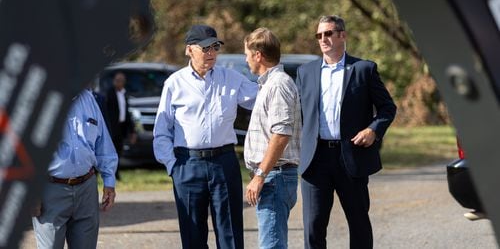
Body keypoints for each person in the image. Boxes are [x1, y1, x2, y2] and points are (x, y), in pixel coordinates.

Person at [153, 24, 258, 249]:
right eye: (205, 48)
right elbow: (161, 132)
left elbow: (263, 98)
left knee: (230, 234)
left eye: (215, 47)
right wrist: (173, 166)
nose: (211, 53)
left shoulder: (231, 78)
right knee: (193, 236)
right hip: (187, 165)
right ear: (189, 50)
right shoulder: (174, 83)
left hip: (224, 162)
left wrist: (275, 75)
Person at [296, 15, 397, 249]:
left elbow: (387, 108)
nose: (323, 39)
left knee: (359, 222)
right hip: (315, 159)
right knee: (313, 226)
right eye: (319, 35)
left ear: (342, 35)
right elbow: (298, 115)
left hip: (350, 156)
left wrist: (373, 130)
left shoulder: (364, 69)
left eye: (328, 33)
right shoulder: (305, 72)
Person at [32, 89, 118, 249]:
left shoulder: (88, 98)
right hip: (49, 191)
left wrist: (109, 182)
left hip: (87, 189)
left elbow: (103, 144)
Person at [243, 28, 301, 249]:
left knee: (271, 246)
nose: (246, 60)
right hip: (272, 177)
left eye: (247, 54)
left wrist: (259, 175)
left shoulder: (278, 85)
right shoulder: (268, 84)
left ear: (258, 55)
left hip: (274, 177)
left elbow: (281, 135)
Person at [105, 71, 136, 180]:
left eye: (121, 81)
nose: (119, 83)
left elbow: (127, 113)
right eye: (117, 80)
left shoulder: (124, 94)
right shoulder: (109, 94)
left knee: (118, 151)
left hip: (121, 127)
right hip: (112, 128)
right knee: (110, 152)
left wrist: (132, 131)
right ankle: (110, 174)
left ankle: (116, 173)